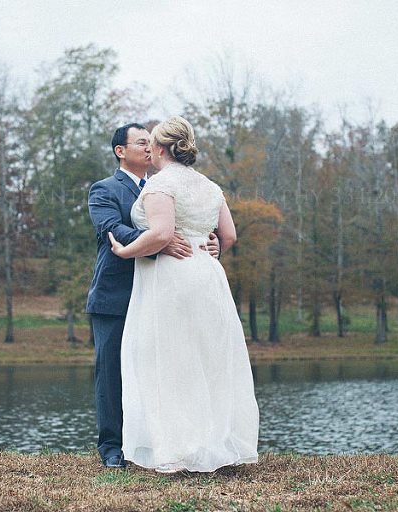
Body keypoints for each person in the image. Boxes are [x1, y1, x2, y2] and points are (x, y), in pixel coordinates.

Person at [107, 116, 260, 473]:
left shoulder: (162, 184)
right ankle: (213, 444)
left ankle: (179, 448)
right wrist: (212, 247)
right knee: (206, 360)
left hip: (172, 278)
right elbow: (229, 235)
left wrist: (124, 251)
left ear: (160, 148)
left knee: (171, 361)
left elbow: (161, 234)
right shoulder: (210, 185)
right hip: (208, 278)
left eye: (151, 143)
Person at [87, 123, 220, 469]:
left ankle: (151, 444)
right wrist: (159, 242)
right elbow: (110, 230)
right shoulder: (103, 190)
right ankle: (112, 448)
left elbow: (195, 225)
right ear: (121, 151)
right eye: (141, 142)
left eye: (152, 142)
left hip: (164, 295)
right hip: (116, 294)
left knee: (161, 368)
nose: (149, 147)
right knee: (112, 370)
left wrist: (209, 240)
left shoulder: (166, 185)